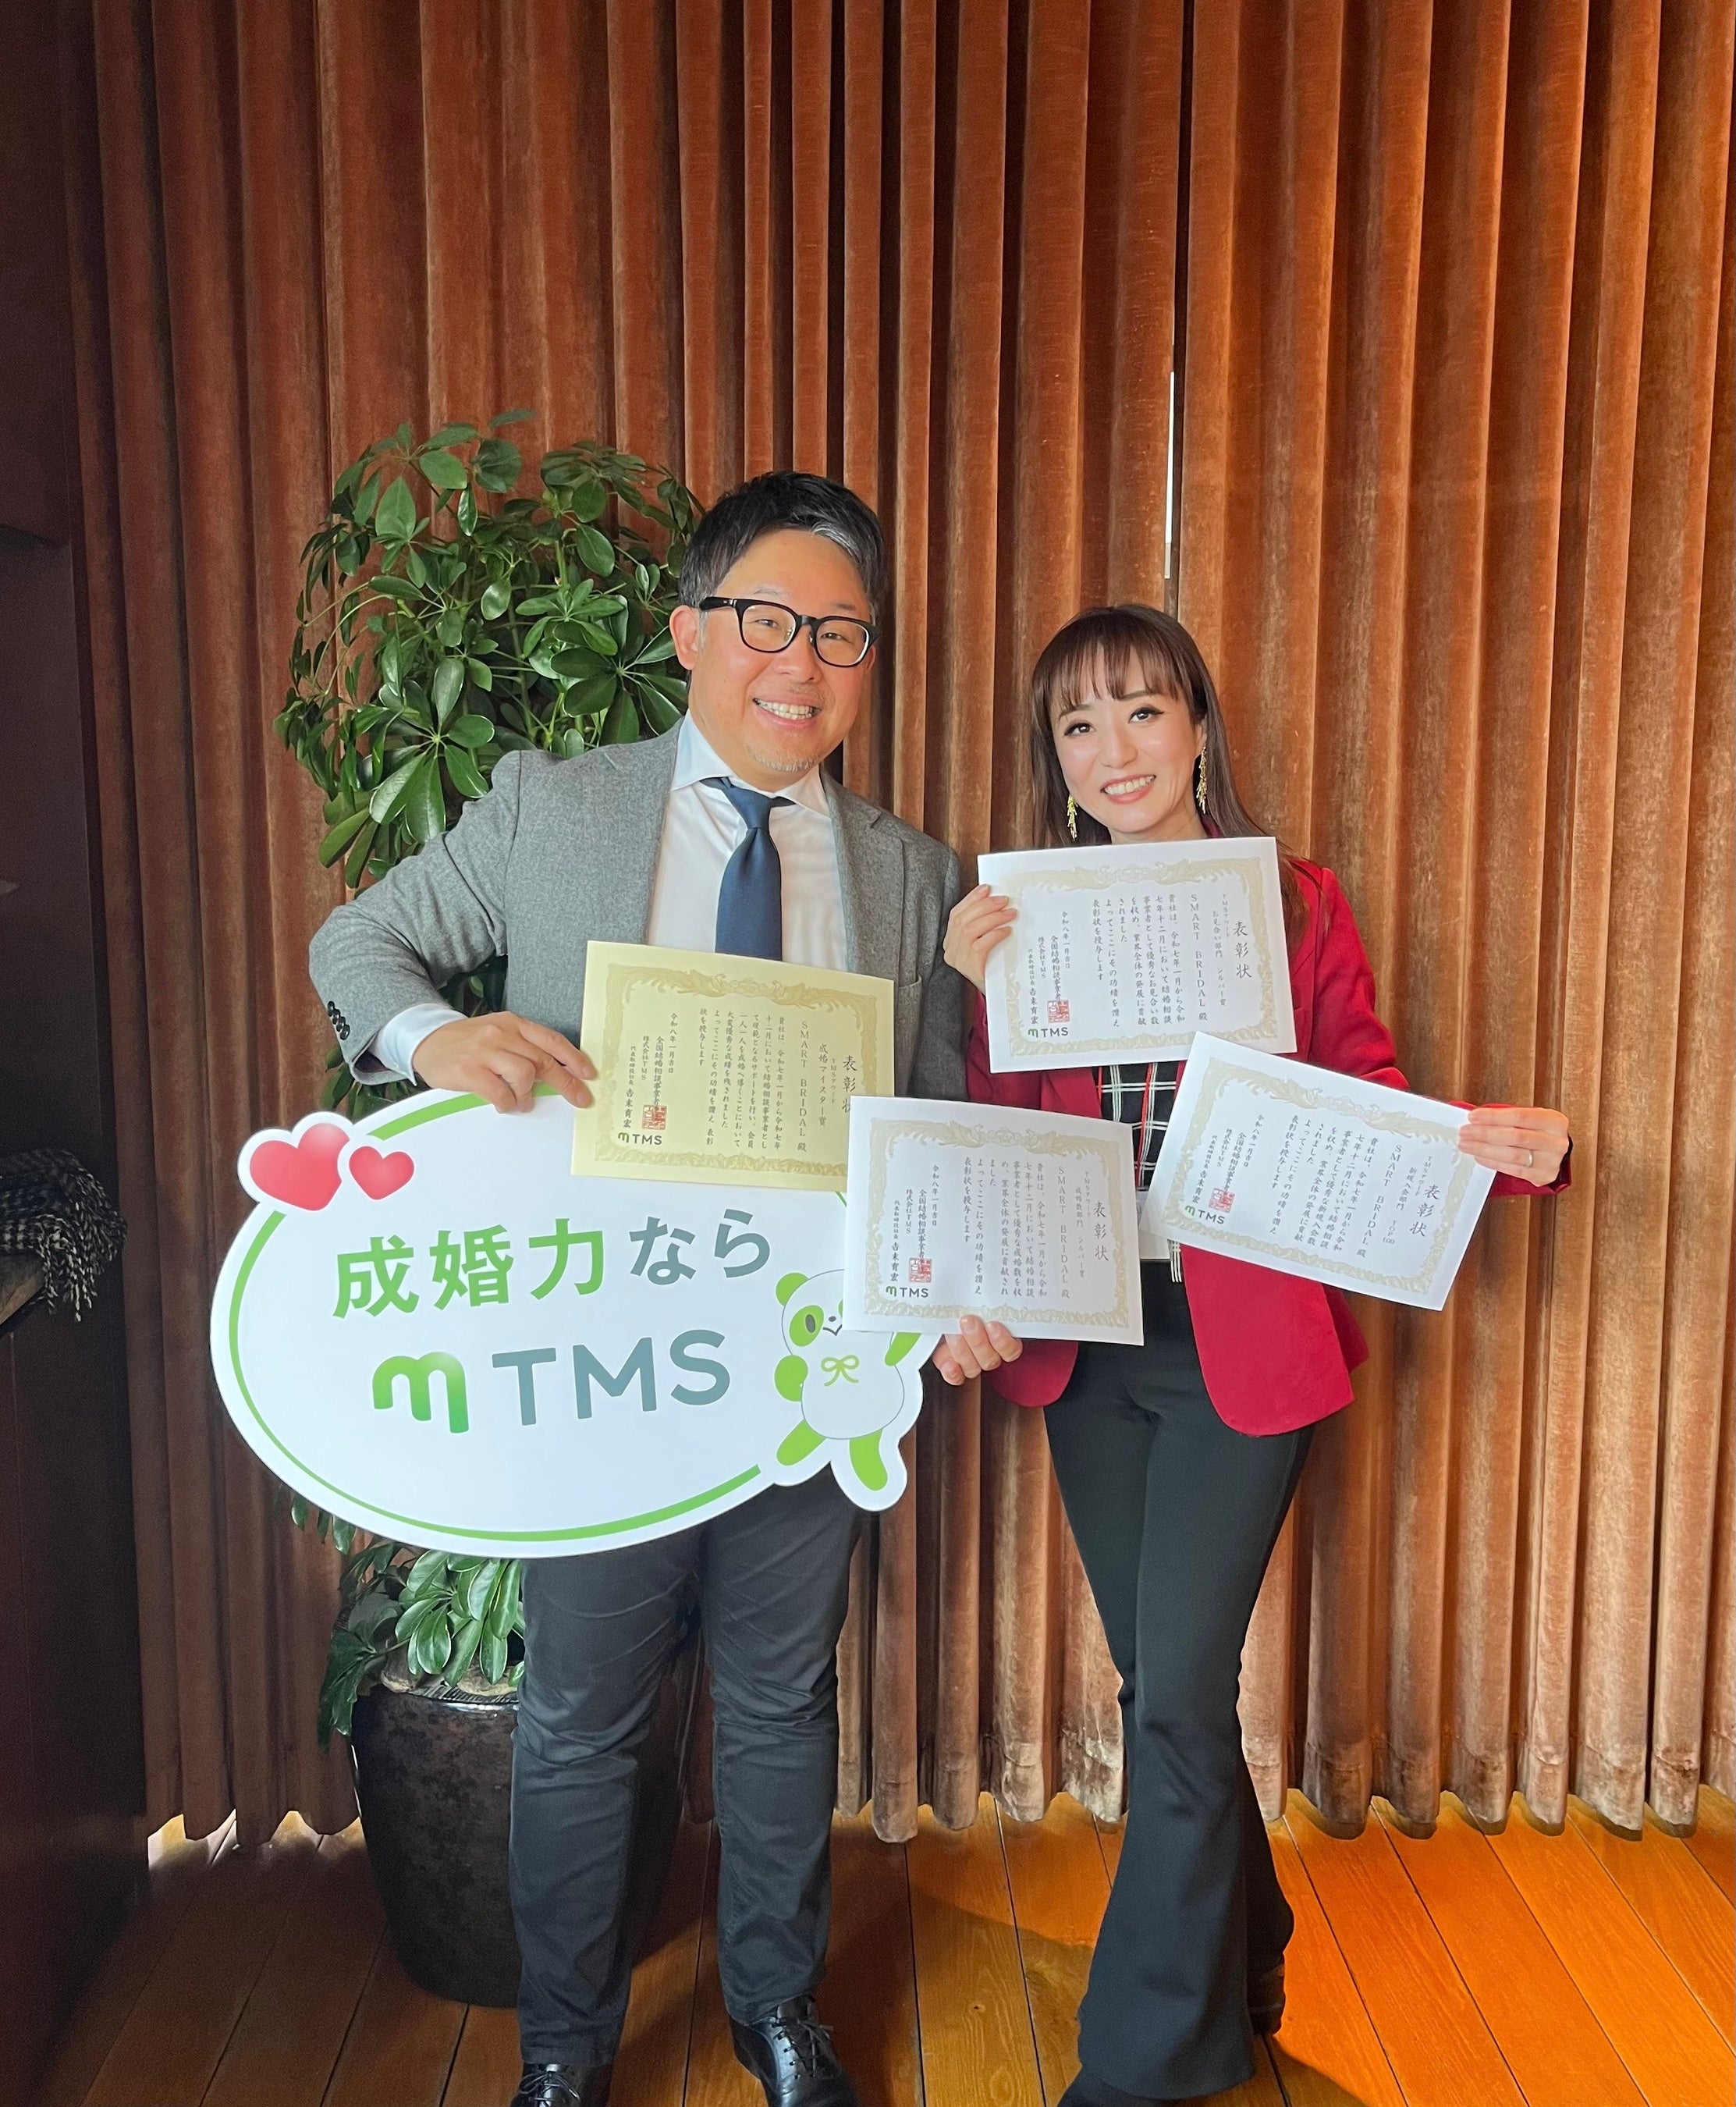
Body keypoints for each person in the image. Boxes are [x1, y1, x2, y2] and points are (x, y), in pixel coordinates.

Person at [310, 472, 965, 2107]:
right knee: (582, 1713)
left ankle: (778, 2012)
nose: (799, 662)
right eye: (765, 620)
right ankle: (563, 2050)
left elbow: (940, 1116)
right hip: (604, 1361)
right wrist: (436, 1040)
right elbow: (358, 948)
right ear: (686, 633)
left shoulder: (909, 873)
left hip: (808, 1360)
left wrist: (955, 1273)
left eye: (841, 633)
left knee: (782, 1699)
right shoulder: (556, 809)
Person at [934, 603, 1570, 2107]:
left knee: (1171, 1696)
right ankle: (1250, 1943)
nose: (1113, 749)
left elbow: (1363, 1092)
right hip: (1085, 1345)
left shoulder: (1288, 903)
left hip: (1240, 1349)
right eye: (1076, 725)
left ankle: (1141, 2065)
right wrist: (968, 989)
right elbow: (990, 1141)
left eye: (1141, 711)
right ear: (1053, 761)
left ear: (1199, 727)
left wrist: (1503, 1154)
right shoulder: (1014, 917)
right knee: (1160, 1684)